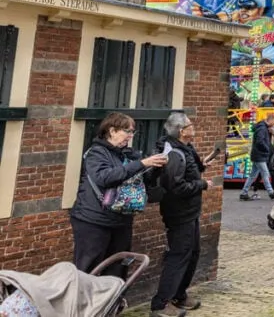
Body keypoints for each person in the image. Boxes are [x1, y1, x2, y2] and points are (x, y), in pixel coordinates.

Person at [70, 112, 167, 277]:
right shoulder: (96, 153)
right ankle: (84, 302)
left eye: (132, 132)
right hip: (94, 219)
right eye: (127, 131)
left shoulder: (128, 154)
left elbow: (143, 181)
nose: (130, 136)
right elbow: (105, 177)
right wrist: (141, 163)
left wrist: (156, 167)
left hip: (121, 219)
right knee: (89, 268)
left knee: (118, 267)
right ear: (112, 131)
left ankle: (113, 301)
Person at [151, 113, 216, 317]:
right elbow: (176, 186)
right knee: (178, 255)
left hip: (190, 211)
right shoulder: (174, 152)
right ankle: (161, 303)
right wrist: (202, 184)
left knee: (193, 252)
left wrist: (201, 167)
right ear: (182, 130)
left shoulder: (185, 148)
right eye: (190, 124)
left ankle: (179, 294)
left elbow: (187, 172)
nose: (193, 126)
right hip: (179, 213)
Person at [240, 112, 274, 201]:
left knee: (253, 175)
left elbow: (261, 141)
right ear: (271, 120)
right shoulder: (262, 128)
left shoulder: (262, 127)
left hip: (257, 154)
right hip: (260, 155)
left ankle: (244, 192)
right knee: (265, 173)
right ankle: (270, 192)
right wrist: (267, 149)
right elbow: (260, 142)